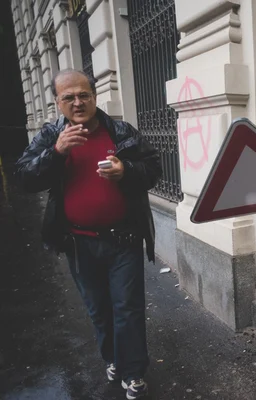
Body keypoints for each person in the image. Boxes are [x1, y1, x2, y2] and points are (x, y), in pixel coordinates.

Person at [15, 69, 161, 400]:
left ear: (94, 97)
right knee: (99, 309)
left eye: (84, 95)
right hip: (79, 243)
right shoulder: (51, 135)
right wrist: (56, 153)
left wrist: (127, 171)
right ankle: (113, 358)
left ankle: (133, 371)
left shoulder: (121, 131)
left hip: (123, 239)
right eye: (69, 97)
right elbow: (24, 177)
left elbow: (153, 169)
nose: (78, 102)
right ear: (57, 101)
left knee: (128, 308)